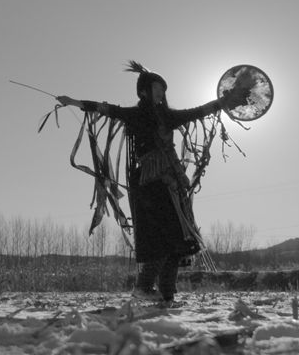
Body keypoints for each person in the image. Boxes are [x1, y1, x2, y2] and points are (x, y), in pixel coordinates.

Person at [56, 62, 246, 304]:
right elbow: (105, 109)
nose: (161, 92)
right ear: (144, 90)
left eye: (163, 88)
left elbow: (198, 111)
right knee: (164, 240)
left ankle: (167, 294)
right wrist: (73, 102)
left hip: (173, 183)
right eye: (157, 87)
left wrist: (223, 102)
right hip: (151, 184)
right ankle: (144, 286)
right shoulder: (134, 115)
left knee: (179, 241)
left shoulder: (168, 116)